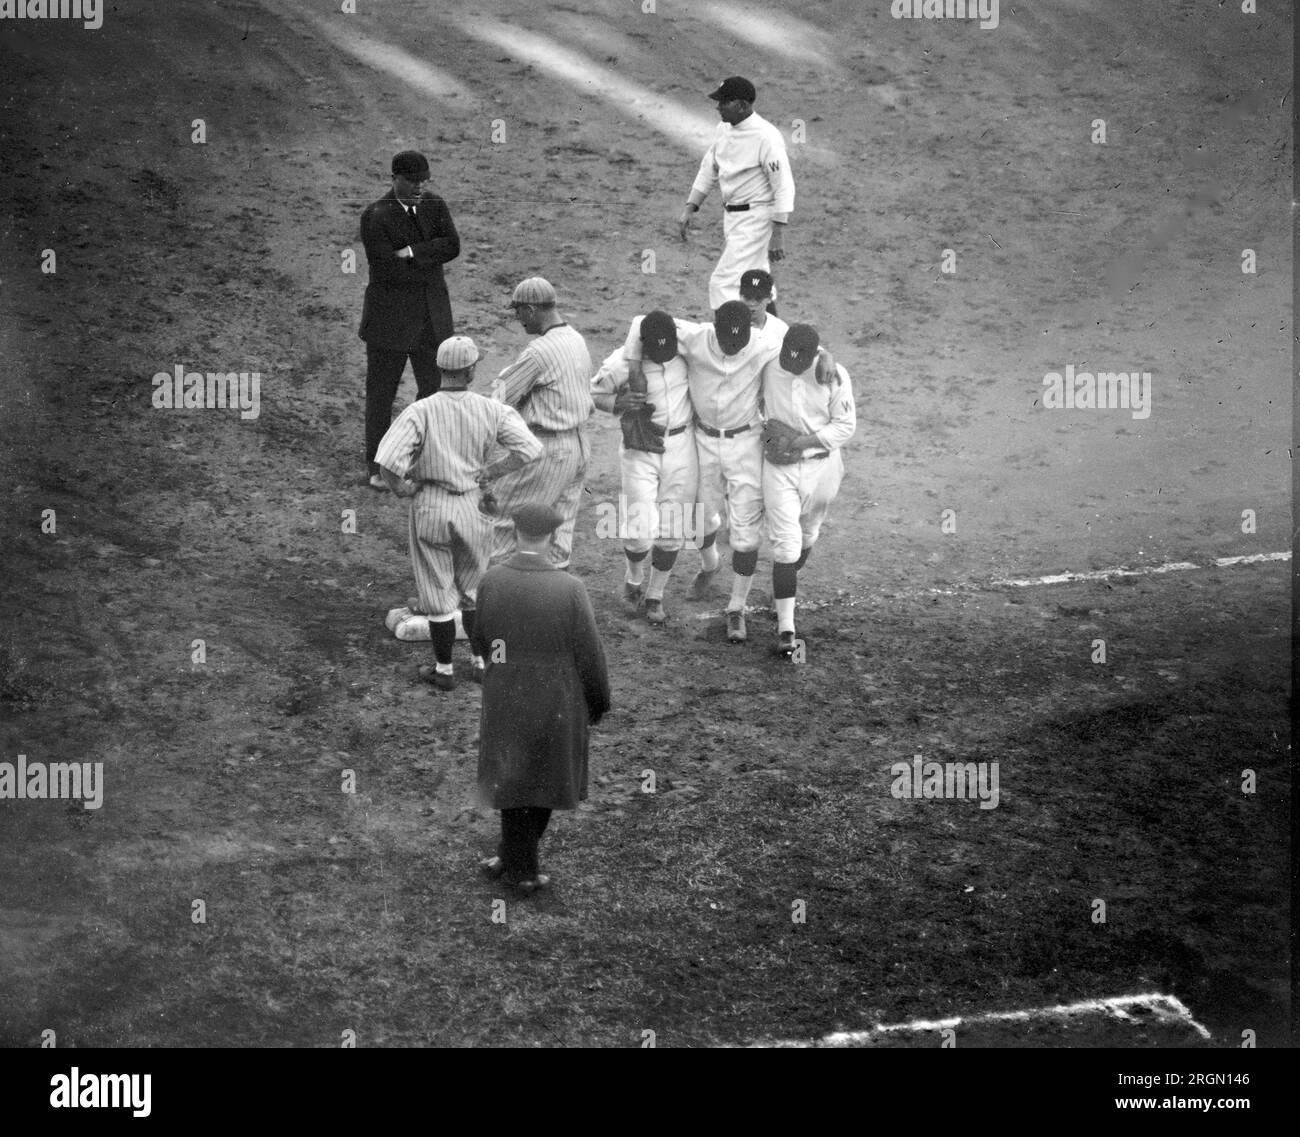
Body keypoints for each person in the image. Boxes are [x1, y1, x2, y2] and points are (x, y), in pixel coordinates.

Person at [374, 336, 542, 691]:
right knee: (475, 589)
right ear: (470, 371)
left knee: (437, 590)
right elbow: (530, 449)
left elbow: (387, 459)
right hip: (473, 504)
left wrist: (400, 487)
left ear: (439, 369)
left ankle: (445, 670)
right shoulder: (490, 408)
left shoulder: (421, 410)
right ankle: (482, 663)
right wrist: (492, 471)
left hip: (432, 504)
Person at [471, 503, 611, 894]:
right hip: (556, 693)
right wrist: (598, 700)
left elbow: (481, 640)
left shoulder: (492, 579)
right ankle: (524, 871)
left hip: (504, 690)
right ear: (552, 537)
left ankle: (509, 854)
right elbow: (589, 653)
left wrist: (503, 669)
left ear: (515, 533)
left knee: (511, 778)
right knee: (544, 781)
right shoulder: (570, 588)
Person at [625, 300, 779, 642]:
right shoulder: (695, 337)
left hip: (746, 444)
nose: (732, 349)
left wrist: (825, 356)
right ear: (714, 328)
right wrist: (635, 366)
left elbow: (810, 347)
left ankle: (736, 609)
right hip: (702, 443)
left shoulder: (765, 342)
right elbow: (641, 321)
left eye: (739, 344)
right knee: (699, 519)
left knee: (745, 532)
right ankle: (710, 565)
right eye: (727, 342)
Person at [359, 150, 460, 490]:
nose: (419, 188)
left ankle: (418, 457)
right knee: (381, 395)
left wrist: (414, 252)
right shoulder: (375, 215)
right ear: (395, 178)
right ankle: (377, 465)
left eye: (423, 181)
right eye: (413, 182)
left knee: (435, 392)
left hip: (431, 321)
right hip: (391, 323)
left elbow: (453, 246)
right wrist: (428, 254)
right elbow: (388, 267)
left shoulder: (434, 205)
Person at [591, 311, 698, 624]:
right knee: (640, 529)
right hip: (640, 449)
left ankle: (655, 595)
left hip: (682, 445)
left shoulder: (688, 352)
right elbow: (594, 392)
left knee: (672, 529)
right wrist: (617, 405)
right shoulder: (621, 362)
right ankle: (634, 578)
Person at [760, 325, 857, 658]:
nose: (787, 360)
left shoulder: (834, 375)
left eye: (795, 357)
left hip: (823, 468)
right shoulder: (769, 359)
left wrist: (801, 441)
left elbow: (845, 426)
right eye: (785, 352)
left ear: (811, 356)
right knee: (785, 546)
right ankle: (787, 629)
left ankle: (783, 595)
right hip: (779, 469)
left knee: (807, 535)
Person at [485, 277, 594, 568]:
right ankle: (552, 605)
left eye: (518, 311)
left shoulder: (539, 351)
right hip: (579, 447)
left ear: (532, 309)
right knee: (559, 535)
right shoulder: (575, 338)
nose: (516, 318)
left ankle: (489, 605)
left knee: (503, 526)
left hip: (547, 451)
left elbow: (499, 401)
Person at [678, 76, 795, 313]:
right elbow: (709, 168)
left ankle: (729, 339)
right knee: (756, 282)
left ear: (742, 105)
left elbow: (783, 185)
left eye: (724, 102)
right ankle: (771, 336)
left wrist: (778, 233)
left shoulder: (766, 137)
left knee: (723, 283)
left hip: (756, 218)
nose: (718, 107)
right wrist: (691, 207)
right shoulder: (723, 129)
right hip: (733, 217)